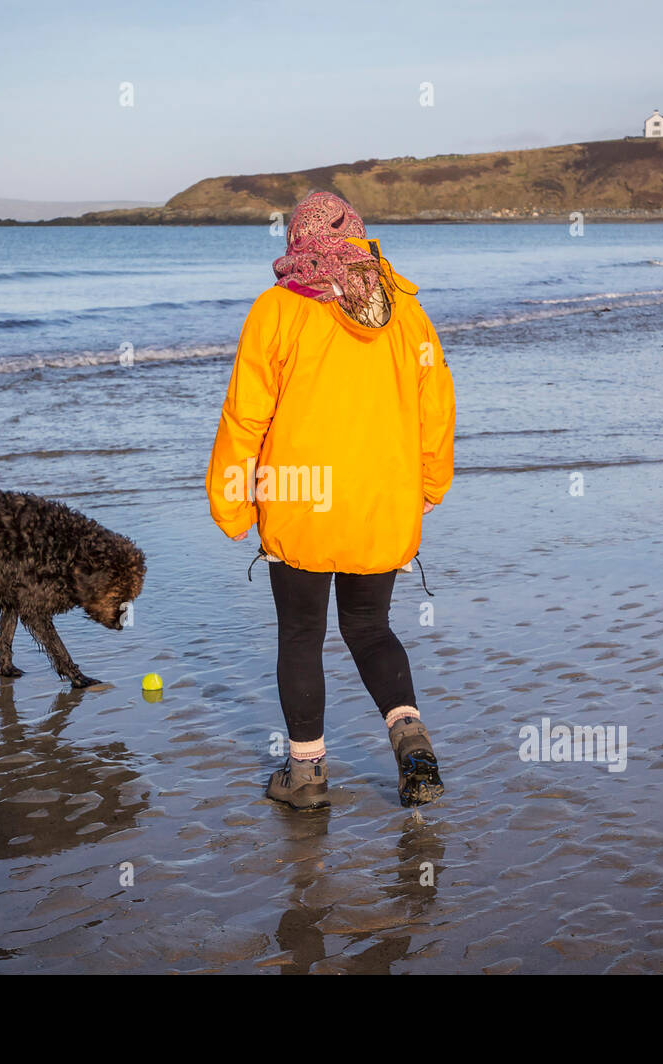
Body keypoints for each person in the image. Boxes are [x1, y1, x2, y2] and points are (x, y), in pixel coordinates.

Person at [205, 191, 456, 810]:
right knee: (370, 629)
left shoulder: (276, 310)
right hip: (380, 499)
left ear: (298, 242)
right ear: (360, 236)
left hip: (298, 499)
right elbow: (437, 410)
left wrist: (232, 501)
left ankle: (307, 776)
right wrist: (428, 486)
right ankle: (411, 742)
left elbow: (245, 416)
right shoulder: (407, 313)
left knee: (301, 635)